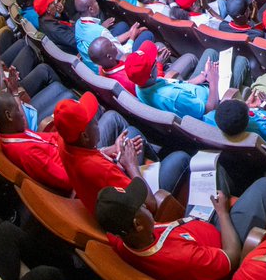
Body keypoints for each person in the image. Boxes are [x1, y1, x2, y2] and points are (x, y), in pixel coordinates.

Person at [95, 177, 246, 280]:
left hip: (194, 224)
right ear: (137, 224)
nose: (146, 206)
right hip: (226, 242)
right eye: (142, 206)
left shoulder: (123, 237)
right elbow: (231, 257)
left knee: (214, 170)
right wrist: (223, 212)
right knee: (265, 185)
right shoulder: (182, 258)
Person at [55, 92, 190, 214]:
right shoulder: (101, 170)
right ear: (84, 136)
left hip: (108, 188)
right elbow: (151, 205)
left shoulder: (64, 141)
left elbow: (89, 155)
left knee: (132, 133)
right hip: (139, 212)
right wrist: (131, 165)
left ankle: (157, 163)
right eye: (94, 122)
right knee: (180, 157)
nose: (97, 122)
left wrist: (113, 149)